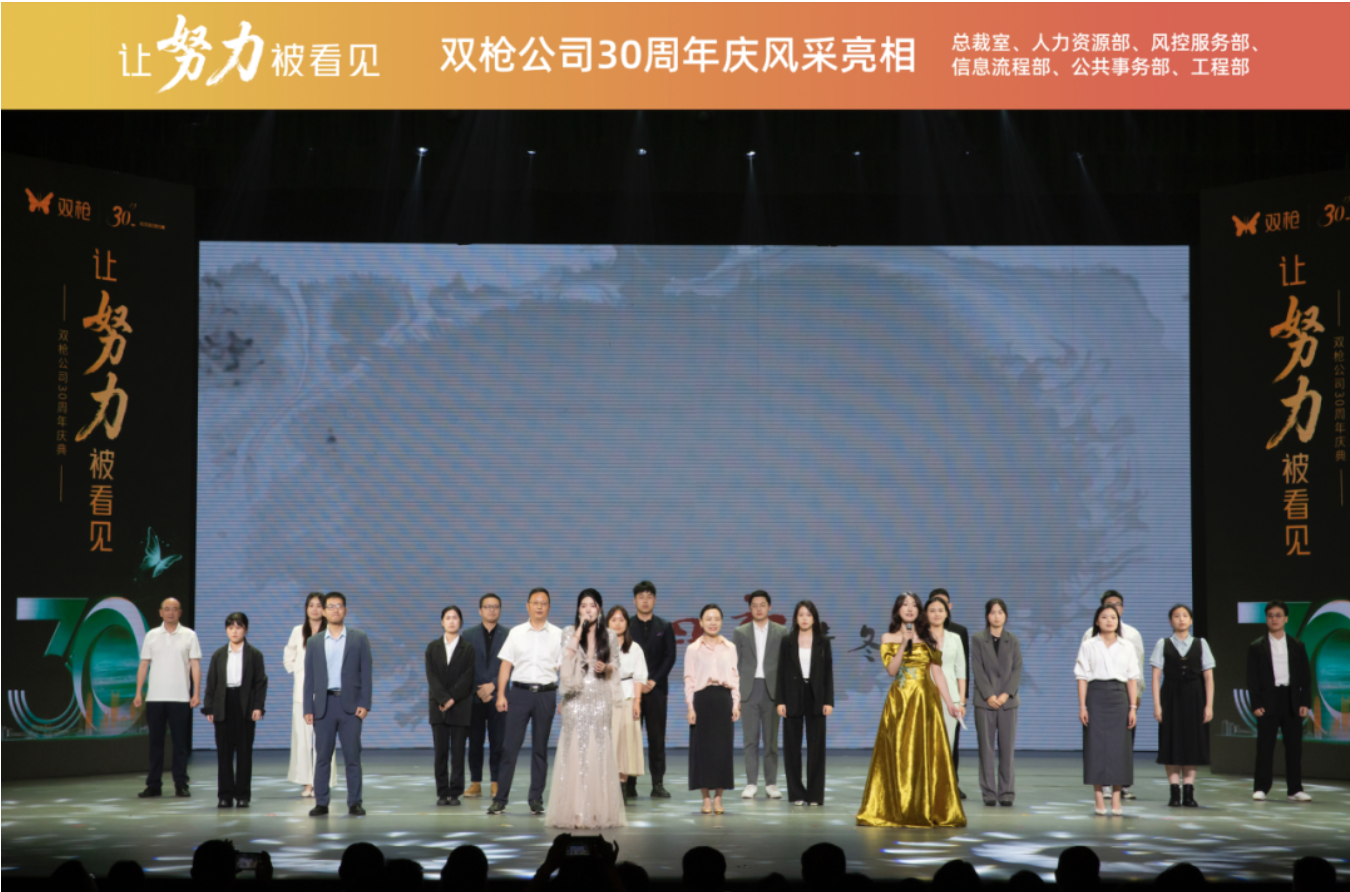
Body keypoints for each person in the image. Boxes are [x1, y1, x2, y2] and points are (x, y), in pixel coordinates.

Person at [857, 593, 966, 828]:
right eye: (904, 605)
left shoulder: (929, 637)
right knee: (898, 752)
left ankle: (924, 807)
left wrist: (950, 702)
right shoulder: (888, 637)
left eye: (914, 605)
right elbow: (892, 670)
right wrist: (903, 644)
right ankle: (898, 808)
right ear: (897, 610)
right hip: (900, 701)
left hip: (925, 700)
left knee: (926, 753)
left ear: (919, 611)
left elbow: (937, 672)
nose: (909, 608)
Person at [547, 589, 627, 829]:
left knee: (599, 750)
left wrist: (606, 668)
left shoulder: (610, 635)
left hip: (600, 696)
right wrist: (580, 630)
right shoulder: (568, 632)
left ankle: (597, 812)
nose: (588, 609)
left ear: (599, 609)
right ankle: (575, 811)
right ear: (578, 609)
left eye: (592, 605)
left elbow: (616, 664)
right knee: (576, 750)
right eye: (583, 605)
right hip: (575, 697)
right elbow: (566, 658)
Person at [490, 587, 564, 816]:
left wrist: (565, 697)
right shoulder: (516, 633)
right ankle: (500, 799)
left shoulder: (559, 634)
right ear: (528, 606)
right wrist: (501, 694)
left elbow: (566, 669)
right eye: (535, 602)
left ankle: (536, 799)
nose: (539, 606)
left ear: (549, 607)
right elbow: (506, 665)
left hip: (546, 695)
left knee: (540, 749)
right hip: (519, 694)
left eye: (543, 603)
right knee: (509, 748)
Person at [303, 591, 373, 817]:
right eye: (330, 606)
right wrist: (307, 707)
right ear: (324, 612)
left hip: (350, 706)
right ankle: (321, 802)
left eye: (339, 606)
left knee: (352, 757)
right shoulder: (314, 641)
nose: (335, 610)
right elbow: (309, 678)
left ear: (345, 610)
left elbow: (366, 673)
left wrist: (365, 703)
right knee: (322, 757)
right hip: (323, 706)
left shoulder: (358, 637)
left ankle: (355, 802)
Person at [1075, 603, 1140, 816]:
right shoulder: (1088, 644)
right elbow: (1082, 677)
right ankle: (1098, 798)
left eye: (1113, 617)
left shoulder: (1126, 646)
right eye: (1104, 617)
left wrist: (1132, 707)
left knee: (1119, 748)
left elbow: (1132, 679)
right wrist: (1082, 706)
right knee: (1095, 747)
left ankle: (1116, 798)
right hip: (1095, 695)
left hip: (1119, 697)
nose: (1109, 620)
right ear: (1097, 621)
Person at [133, 597, 201, 798]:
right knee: (155, 744)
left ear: (180, 612)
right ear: (160, 612)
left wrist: (196, 693)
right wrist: (138, 692)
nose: (171, 612)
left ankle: (181, 783)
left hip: (180, 698)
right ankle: (154, 784)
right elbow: (144, 665)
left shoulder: (189, 635)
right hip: (155, 698)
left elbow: (195, 665)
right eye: (167, 609)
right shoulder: (152, 635)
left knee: (180, 744)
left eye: (175, 609)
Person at [1247, 599, 1313, 802]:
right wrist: (1256, 703)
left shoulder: (1297, 645)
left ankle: (1295, 789)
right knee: (1265, 746)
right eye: (1270, 616)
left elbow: (1305, 676)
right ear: (1266, 619)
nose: (1274, 619)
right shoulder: (1256, 646)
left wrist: (1305, 702)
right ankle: (1261, 788)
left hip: (1291, 699)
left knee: (1294, 747)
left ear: (1286, 618)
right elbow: (1252, 678)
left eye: (1278, 615)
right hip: (1268, 700)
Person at [1150, 604, 1215, 807]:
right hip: (1170, 696)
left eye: (1185, 615)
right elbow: (1155, 678)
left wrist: (1209, 705)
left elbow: (1209, 678)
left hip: (1195, 697)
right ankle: (1174, 792)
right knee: (1171, 743)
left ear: (1191, 620)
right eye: (1176, 616)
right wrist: (1157, 705)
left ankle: (1188, 792)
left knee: (1192, 744)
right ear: (1171, 621)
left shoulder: (1201, 643)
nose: (1181, 619)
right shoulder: (1162, 644)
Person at [201, 612, 268, 808]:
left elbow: (260, 683)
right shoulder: (218, 655)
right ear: (226, 630)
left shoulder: (255, 655)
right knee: (224, 752)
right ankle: (225, 795)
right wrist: (210, 708)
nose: (234, 631)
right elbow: (211, 683)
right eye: (231, 628)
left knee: (244, 752)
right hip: (223, 704)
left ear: (245, 629)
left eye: (238, 627)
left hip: (245, 704)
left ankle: (243, 795)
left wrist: (258, 706)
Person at [776, 600, 834, 806]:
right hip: (793, 694)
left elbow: (828, 673)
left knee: (816, 747)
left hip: (816, 695)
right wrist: (780, 700)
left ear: (814, 618)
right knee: (792, 748)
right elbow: (781, 672)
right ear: (795, 618)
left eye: (808, 615)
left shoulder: (823, 641)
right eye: (801, 614)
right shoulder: (787, 641)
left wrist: (829, 701)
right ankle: (797, 794)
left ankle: (815, 795)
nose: (804, 618)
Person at [686, 604, 741, 814]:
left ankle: (718, 797)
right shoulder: (693, 649)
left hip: (723, 698)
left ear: (721, 622)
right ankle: (705, 798)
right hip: (701, 699)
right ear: (701, 622)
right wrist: (690, 707)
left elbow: (735, 677)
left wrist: (736, 703)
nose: (712, 622)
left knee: (722, 750)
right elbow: (689, 680)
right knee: (702, 750)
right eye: (708, 619)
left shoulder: (730, 647)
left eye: (716, 619)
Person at [733, 590, 788, 799]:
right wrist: (736, 695)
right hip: (748, 690)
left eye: (762, 605)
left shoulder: (781, 631)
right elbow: (735, 665)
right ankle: (751, 783)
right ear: (750, 608)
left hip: (772, 690)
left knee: (771, 740)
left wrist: (784, 695)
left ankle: (771, 783)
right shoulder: (741, 632)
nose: (758, 609)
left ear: (769, 607)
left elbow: (785, 665)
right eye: (754, 605)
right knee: (750, 740)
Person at [969, 598, 1022, 807]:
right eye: (993, 612)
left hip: (1008, 702)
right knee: (986, 749)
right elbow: (977, 668)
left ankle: (1007, 792)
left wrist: (1006, 694)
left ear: (1005, 616)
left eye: (1000, 612)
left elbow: (1017, 669)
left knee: (1007, 749)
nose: (997, 616)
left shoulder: (1013, 640)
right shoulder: (978, 639)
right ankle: (989, 792)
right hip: (985, 702)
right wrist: (989, 695)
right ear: (987, 616)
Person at [283, 592, 335, 798]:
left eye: (319, 605)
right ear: (306, 608)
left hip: (327, 693)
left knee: (324, 740)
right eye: (311, 605)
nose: (314, 609)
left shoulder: (331, 631)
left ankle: (322, 782)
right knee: (303, 741)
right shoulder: (298, 631)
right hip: (302, 694)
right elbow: (288, 656)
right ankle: (307, 783)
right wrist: (300, 671)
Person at [630, 580, 676, 799]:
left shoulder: (665, 626)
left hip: (657, 690)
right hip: (631, 691)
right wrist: (638, 682)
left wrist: (654, 680)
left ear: (655, 600)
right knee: (631, 738)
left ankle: (657, 783)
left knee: (657, 739)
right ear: (635, 601)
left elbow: (670, 657)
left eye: (649, 597)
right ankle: (629, 784)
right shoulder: (627, 626)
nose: (645, 601)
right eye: (641, 597)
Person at [427, 605, 476, 806]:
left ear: (460, 622)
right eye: (448, 618)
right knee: (440, 753)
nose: (451, 621)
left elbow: (468, 677)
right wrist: (443, 699)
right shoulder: (433, 647)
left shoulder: (468, 648)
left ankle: (455, 792)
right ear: (442, 622)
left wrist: (451, 698)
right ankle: (442, 792)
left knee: (457, 753)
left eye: (455, 617)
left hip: (460, 706)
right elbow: (431, 676)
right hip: (438, 707)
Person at [464, 593, 507, 800]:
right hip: (475, 697)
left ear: (500, 610)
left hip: (499, 696)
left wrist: (493, 685)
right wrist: (480, 690)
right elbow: (464, 667)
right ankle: (475, 783)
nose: (492, 610)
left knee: (499, 741)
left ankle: (496, 782)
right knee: (475, 741)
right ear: (480, 610)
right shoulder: (468, 635)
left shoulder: (509, 635)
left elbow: (512, 665)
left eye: (495, 606)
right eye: (488, 606)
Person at [929, 589, 971, 799]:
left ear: (947, 612)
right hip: (925, 695)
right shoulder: (919, 637)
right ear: (925, 613)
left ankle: (945, 790)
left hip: (952, 699)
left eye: (941, 610)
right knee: (926, 744)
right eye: (932, 610)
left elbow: (961, 671)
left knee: (947, 745)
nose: (937, 614)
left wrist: (961, 701)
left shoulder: (955, 637)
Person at [607, 605, 648, 801]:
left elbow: (639, 676)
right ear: (607, 623)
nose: (617, 623)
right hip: (606, 699)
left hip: (628, 697)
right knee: (609, 743)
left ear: (627, 623)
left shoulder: (635, 648)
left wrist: (637, 701)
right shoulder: (600, 647)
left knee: (625, 743)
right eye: (613, 619)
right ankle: (608, 788)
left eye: (621, 619)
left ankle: (622, 788)